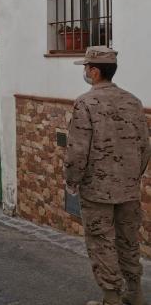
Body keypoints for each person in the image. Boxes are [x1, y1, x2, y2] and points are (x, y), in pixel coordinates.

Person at [65, 46, 150, 305]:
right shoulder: (133, 101)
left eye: (85, 68)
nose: (84, 72)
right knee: (128, 240)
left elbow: (77, 151)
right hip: (128, 188)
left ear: (94, 71)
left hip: (97, 190)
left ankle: (111, 298)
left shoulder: (86, 103)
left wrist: (72, 180)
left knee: (101, 242)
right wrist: (133, 176)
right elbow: (145, 146)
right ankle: (134, 293)